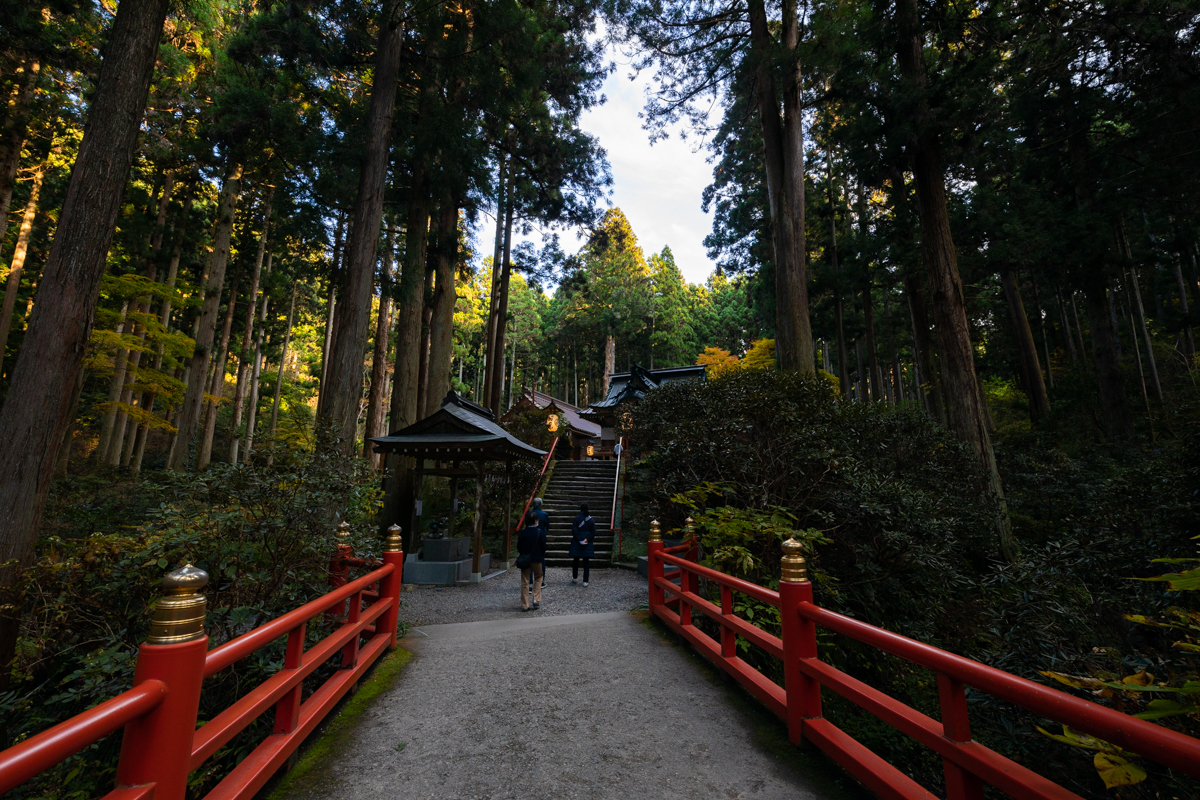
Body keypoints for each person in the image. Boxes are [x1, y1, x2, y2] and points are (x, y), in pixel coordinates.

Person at [516, 511, 546, 611]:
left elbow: (519, 547)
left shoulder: (522, 533)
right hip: (537, 558)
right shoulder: (540, 532)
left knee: (525, 581)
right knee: (539, 577)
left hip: (525, 559)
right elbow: (543, 547)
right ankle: (536, 599)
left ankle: (525, 604)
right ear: (536, 521)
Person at [570, 502, 596, 587]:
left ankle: (574, 577)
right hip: (587, 542)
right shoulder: (591, 520)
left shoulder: (576, 519)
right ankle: (585, 580)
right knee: (586, 562)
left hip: (577, 541)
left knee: (576, 560)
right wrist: (587, 539)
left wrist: (579, 539)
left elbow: (574, 530)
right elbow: (593, 532)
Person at [529, 497, 549, 591]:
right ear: (541, 505)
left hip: (529, 537)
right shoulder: (544, 515)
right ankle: (541, 580)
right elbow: (547, 526)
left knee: (529, 560)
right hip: (541, 537)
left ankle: (530, 583)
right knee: (541, 559)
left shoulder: (528, 514)